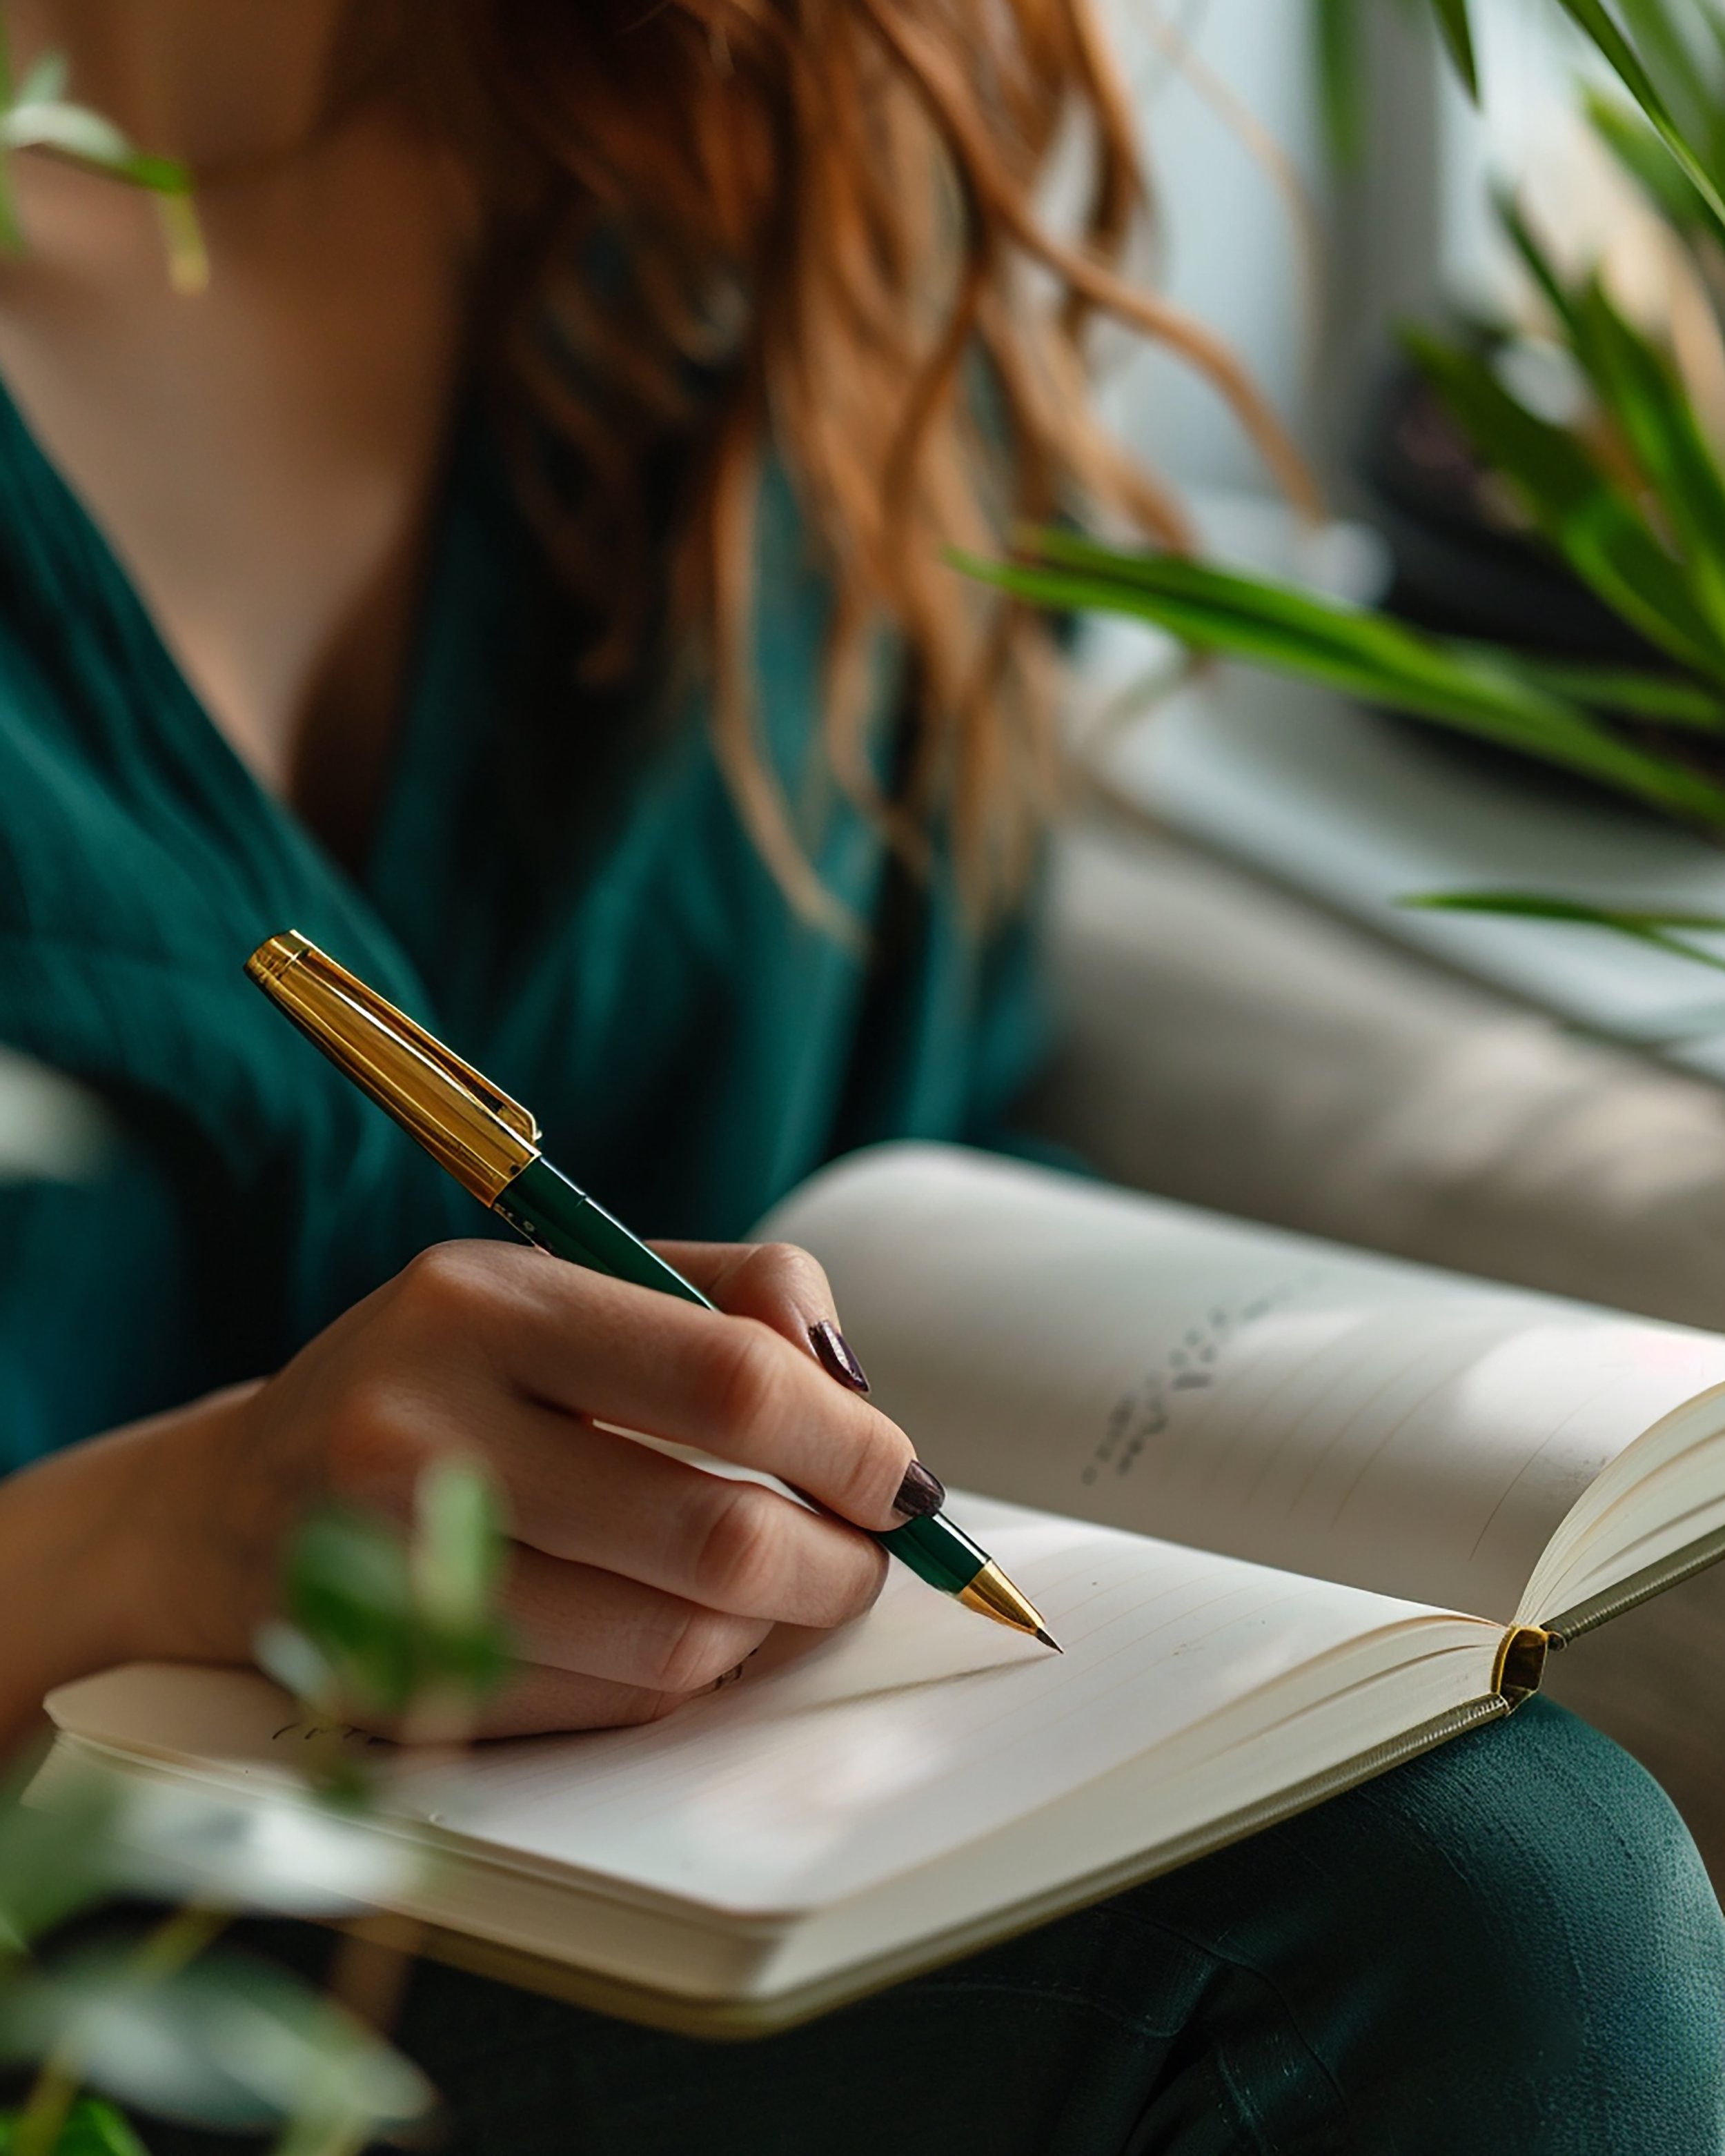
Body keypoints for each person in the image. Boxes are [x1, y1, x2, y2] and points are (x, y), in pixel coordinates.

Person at [0, 3, 1719, 2150]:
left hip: (720, 1851)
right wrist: (144, 1541)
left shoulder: (769, 178)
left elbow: (923, 1113)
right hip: (95, 1970)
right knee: (1491, 1905)